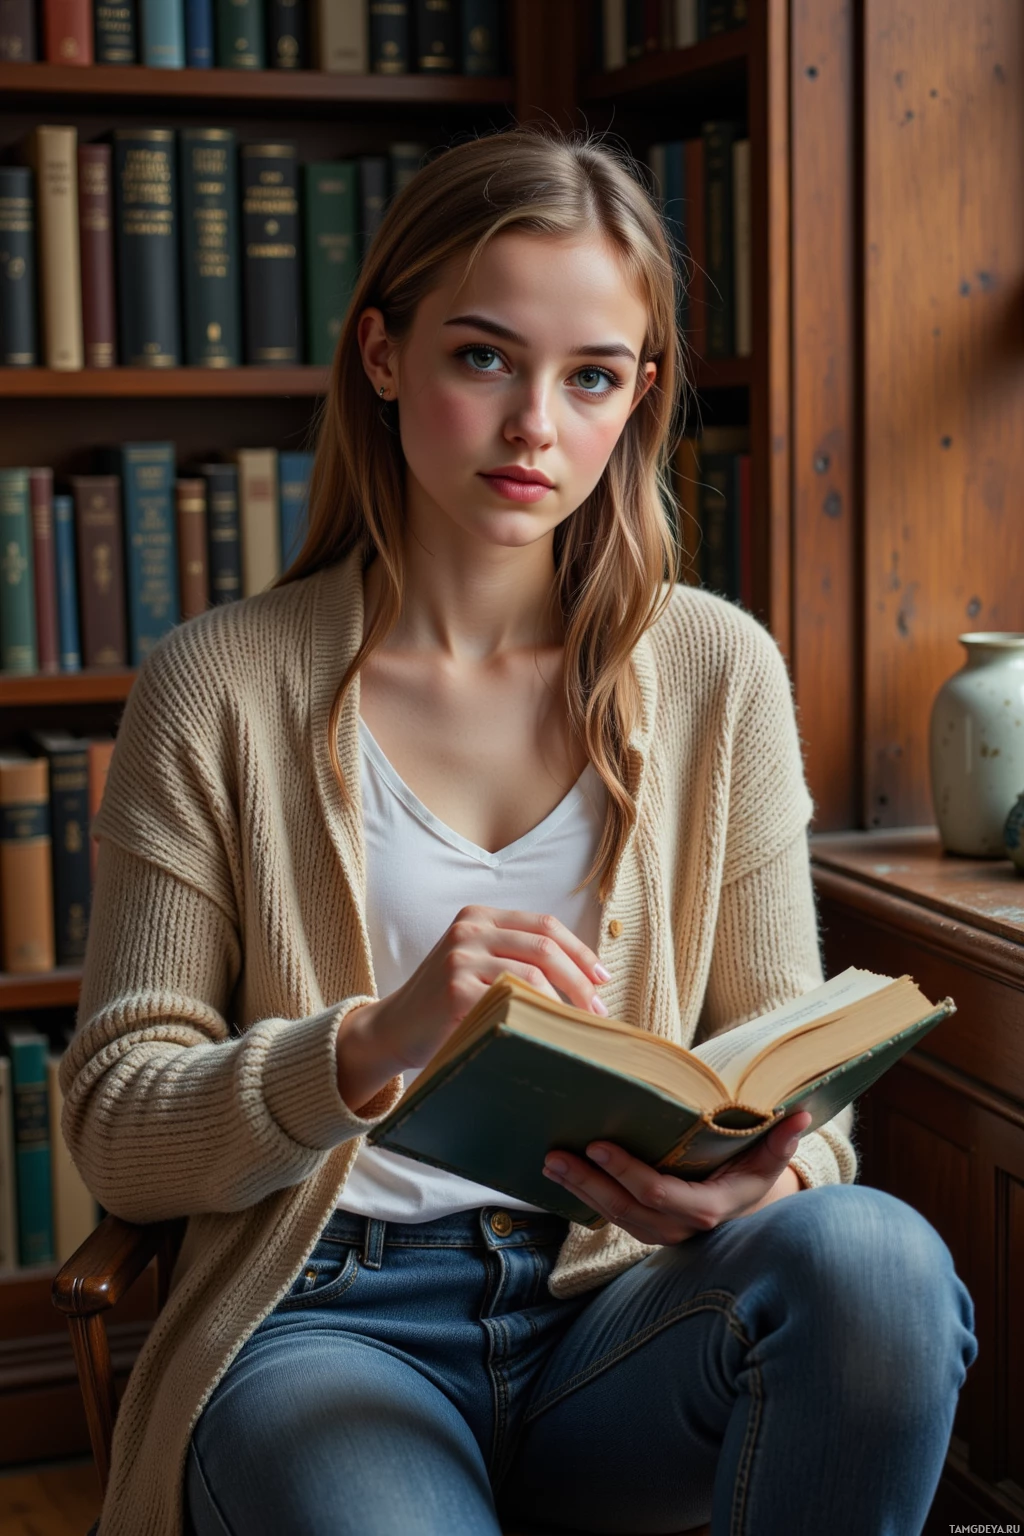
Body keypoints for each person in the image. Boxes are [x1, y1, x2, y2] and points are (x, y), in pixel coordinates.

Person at [62, 126, 977, 1536]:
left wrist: (771, 1171)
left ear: (638, 396)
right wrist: (377, 1038)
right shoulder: (219, 686)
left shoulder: (715, 671)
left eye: (590, 376)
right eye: (483, 356)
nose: (534, 426)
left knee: (881, 1267)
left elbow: (798, 1054)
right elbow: (119, 1130)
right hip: (327, 1327)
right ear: (383, 353)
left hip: (626, 1309)